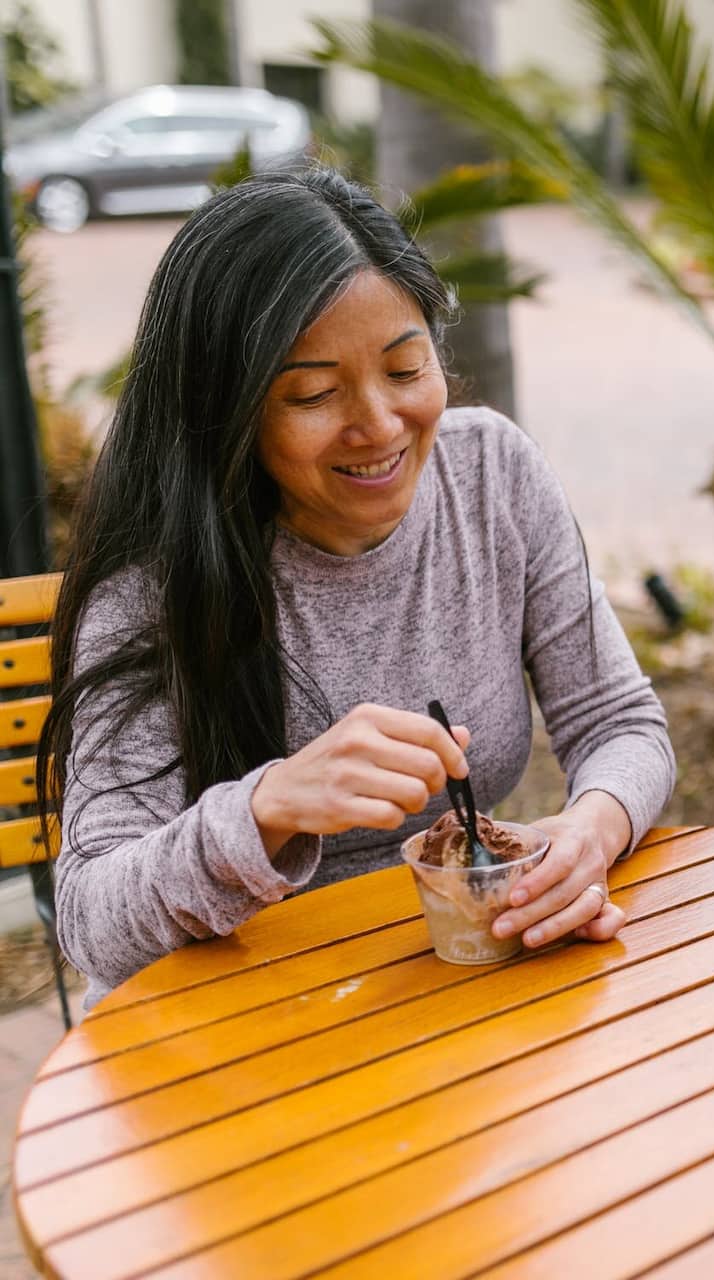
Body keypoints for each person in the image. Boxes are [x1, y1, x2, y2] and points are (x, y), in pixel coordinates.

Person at [39, 169, 675, 1011]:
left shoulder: (491, 476)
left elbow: (619, 722)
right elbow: (90, 922)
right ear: (225, 411)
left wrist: (587, 833)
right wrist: (267, 807)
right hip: (221, 1040)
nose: (378, 424)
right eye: (314, 393)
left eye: (406, 369)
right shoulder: (156, 585)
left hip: (436, 997)